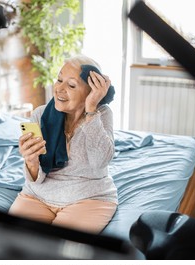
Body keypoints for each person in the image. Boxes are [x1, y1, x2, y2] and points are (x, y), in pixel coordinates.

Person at [8, 55, 117, 234]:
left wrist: (90, 109)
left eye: (71, 85)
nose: (59, 89)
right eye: (59, 80)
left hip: (88, 198)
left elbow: (100, 162)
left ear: (91, 92)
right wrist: (31, 161)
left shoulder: (101, 113)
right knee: (9, 240)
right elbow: (34, 177)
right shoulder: (40, 115)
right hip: (37, 195)